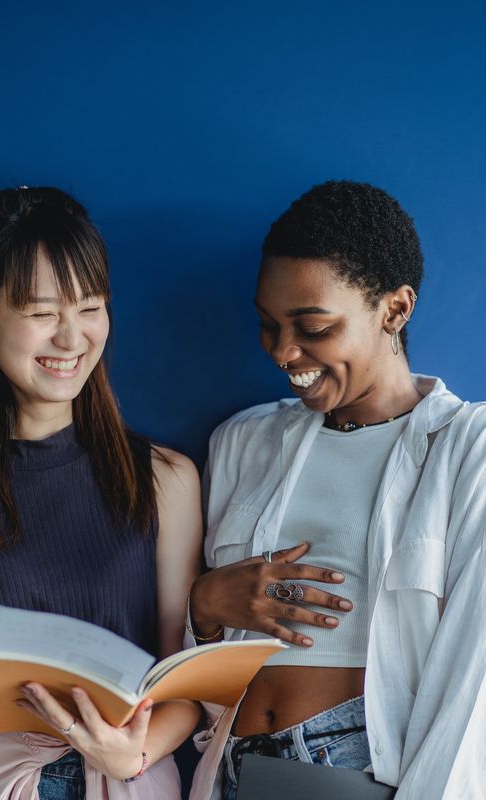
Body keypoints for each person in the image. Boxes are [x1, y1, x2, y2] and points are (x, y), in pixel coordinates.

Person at [0, 186, 202, 799]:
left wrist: (134, 753)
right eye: (41, 313)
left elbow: (182, 679)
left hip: (129, 781)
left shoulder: (166, 478)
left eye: (90, 307)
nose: (72, 338)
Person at [186, 180, 486, 800]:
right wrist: (205, 610)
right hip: (229, 768)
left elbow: (471, 685)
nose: (283, 352)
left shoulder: (467, 449)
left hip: (361, 769)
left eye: (314, 327)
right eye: (268, 325)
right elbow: (196, 673)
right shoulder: (242, 441)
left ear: (394, 310)